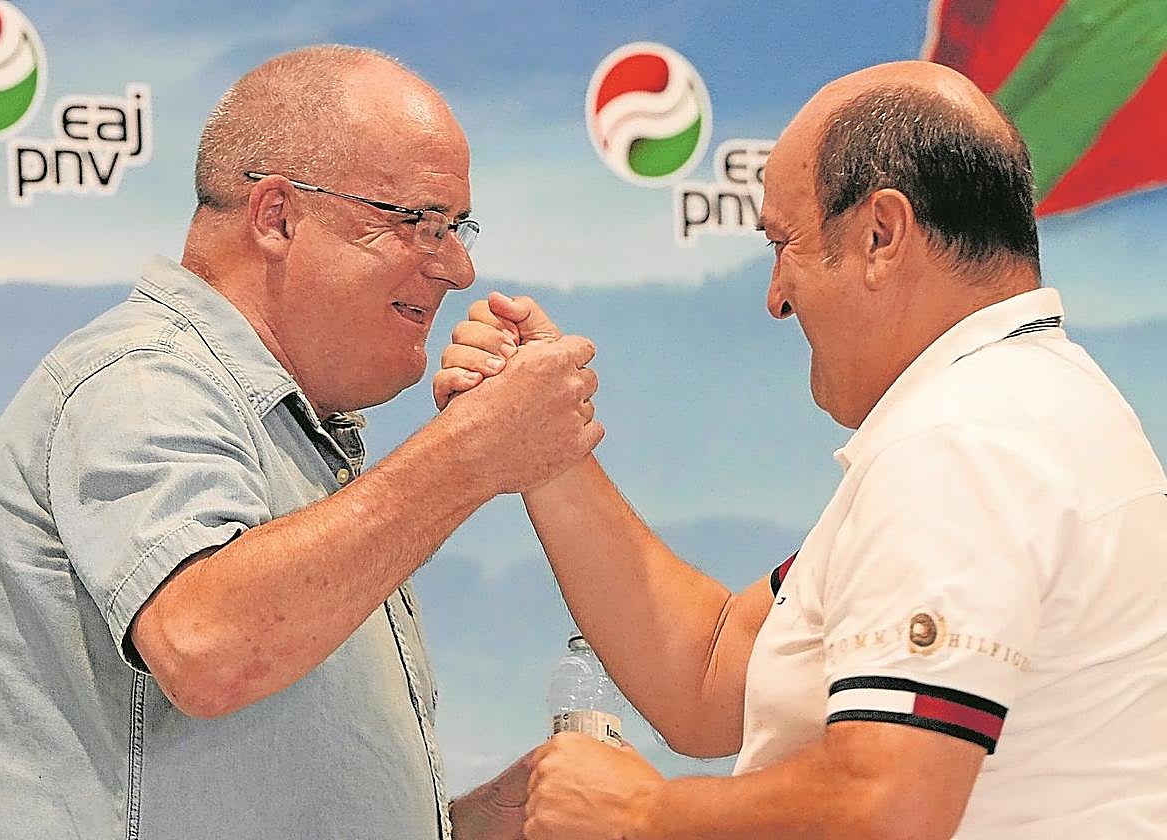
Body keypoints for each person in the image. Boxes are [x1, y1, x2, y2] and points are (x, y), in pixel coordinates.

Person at [434, 60, 1167, 838]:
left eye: (784, 243)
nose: (775, 296)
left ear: (881, 235)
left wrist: (638, 813)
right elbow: (712, 674)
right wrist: (546, 440)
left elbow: (889, 807)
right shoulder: (1023, 405)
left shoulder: (964, 440)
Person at [0, 46, 601, 839]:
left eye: (459, 227)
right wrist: (472, 453)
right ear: (277, 217)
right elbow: (207, 647)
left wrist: (474, 826)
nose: (459, 268)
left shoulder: (291, 431)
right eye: (421, 222)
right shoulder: (143, 378)